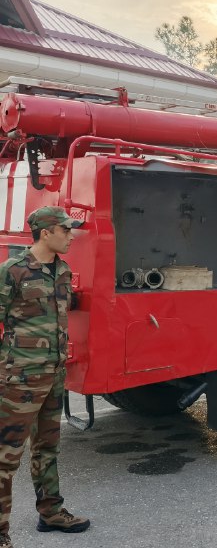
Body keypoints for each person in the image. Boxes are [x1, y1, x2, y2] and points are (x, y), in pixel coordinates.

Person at [0, 207, 90, 547]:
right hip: (18, 381)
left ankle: (51, 512)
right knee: (5, 457)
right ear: (45, 232)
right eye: (66, 230)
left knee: (48, 448)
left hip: (53, 375)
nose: (71, 235)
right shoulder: (12, 272)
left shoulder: (63, 272)